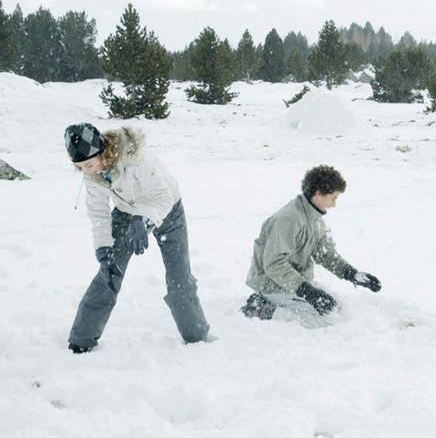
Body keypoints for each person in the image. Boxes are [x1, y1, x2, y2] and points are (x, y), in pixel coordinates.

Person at [64, 123, 210, 353]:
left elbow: (162, 196)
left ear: (102, 152)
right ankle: (82, 339)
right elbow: (98, 213)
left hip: (168, 210)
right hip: (126, 213)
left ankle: (196, 337)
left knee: (179, 279)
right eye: (80, 167)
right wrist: (103, 248)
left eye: (89, 165)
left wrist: (143, 220)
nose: (87, 171)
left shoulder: (136, 158)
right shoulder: (91, 175)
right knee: (108, 273)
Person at [240, 165, 381, 319]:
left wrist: (351, 274)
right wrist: (308, 292)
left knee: (339, 309)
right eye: (333, 198)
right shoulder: (288, 220)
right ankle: (265, 307)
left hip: (297, 283)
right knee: (325, 319)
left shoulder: (315, 219)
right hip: (272, 284)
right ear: (318, 193)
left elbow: (325, 255)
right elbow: (274, 264)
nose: (334, 204)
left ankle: (271, 304)